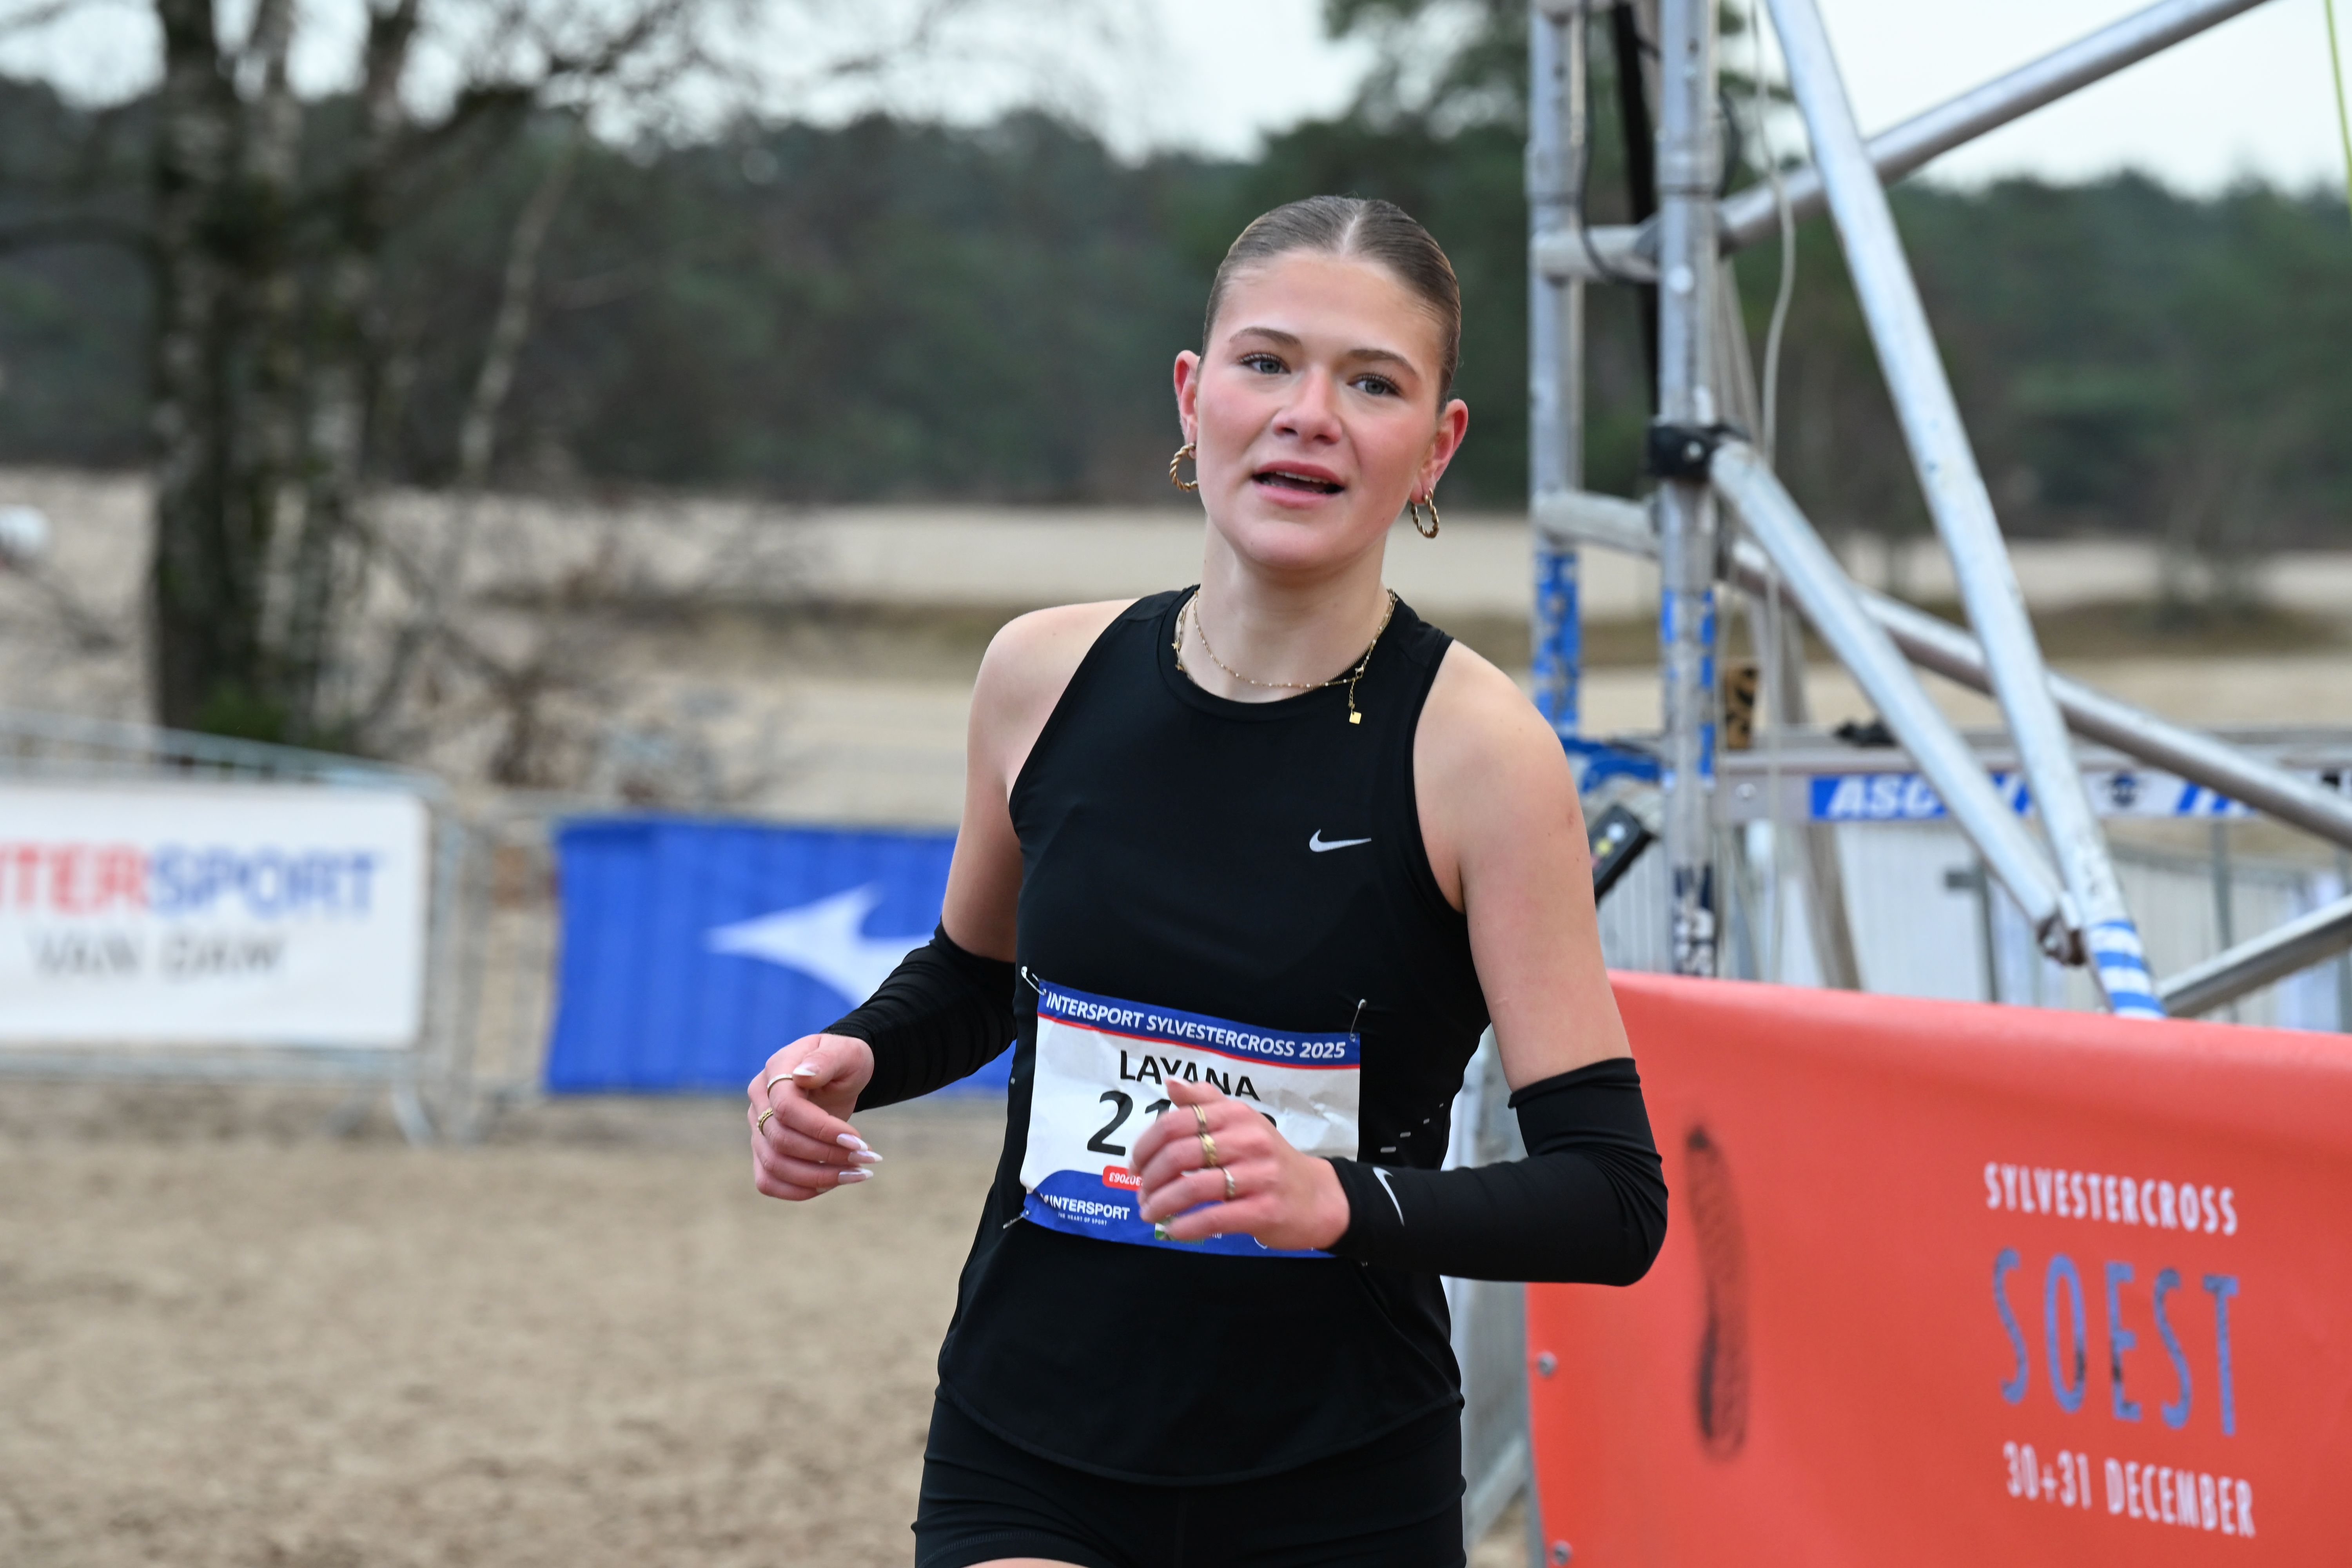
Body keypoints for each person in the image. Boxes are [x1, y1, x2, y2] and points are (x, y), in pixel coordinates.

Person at [748, 195, 1668, 1568]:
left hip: (1338, 1478)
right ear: (1192, 397)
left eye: (1373, 384)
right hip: (1027, 1441)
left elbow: (1614, 1198)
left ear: (1437, 446)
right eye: (1266, 363)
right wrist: (851, 1057)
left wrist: (1335, 1200)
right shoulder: (1039, 676)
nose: (1309, 415)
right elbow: (978, 979)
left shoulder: (1480, 753)